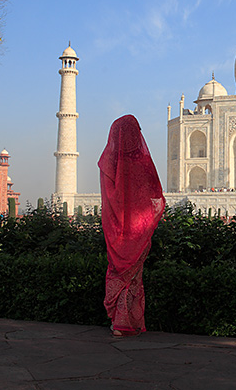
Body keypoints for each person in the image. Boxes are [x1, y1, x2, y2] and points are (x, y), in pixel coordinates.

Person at [98, 115, 165, 337]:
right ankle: (129, 322)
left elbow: (108, 197)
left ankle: (120, 322)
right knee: (134, 277)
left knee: (118, 271)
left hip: (117, 229)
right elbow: (154, 193)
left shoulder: (107, 160)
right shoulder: (141, 161)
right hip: (138, 229)